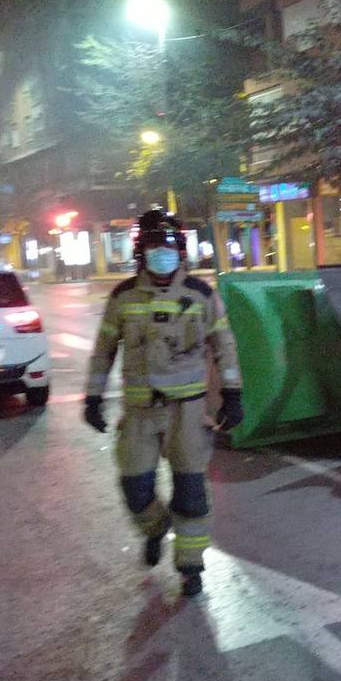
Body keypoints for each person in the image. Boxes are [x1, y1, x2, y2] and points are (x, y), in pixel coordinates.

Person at [83, 209, 244, 597]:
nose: (163, 255)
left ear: (181, 252)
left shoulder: (201, 295)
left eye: (169, 248)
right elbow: (103, 351)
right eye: (155, 248)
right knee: (134, 488)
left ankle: (191, 568)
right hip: (140, 414)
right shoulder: (123, 298)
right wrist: (93, 396)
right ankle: (155, 528)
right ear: (142, 253)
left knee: (191, 492)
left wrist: (233, 395)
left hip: (187, 412)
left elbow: (224, 346)